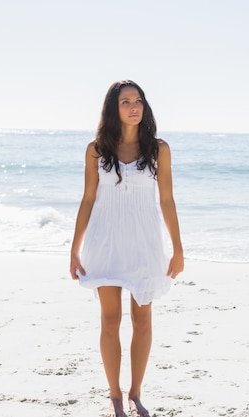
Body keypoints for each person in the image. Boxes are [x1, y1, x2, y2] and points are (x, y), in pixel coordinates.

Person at [70, 80, 184, 417]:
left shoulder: (159, 149)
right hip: (105, 241)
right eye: (125, 102)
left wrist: (178, 248)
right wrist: (74, 249)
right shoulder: (96, 149)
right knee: (109, 320)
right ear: (113, 108)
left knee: (143, 320)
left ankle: (136, 392)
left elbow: (167, 200)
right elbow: (88, 198)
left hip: (144, 243)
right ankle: (115, 395)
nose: (134, 107)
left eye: (138, 101)